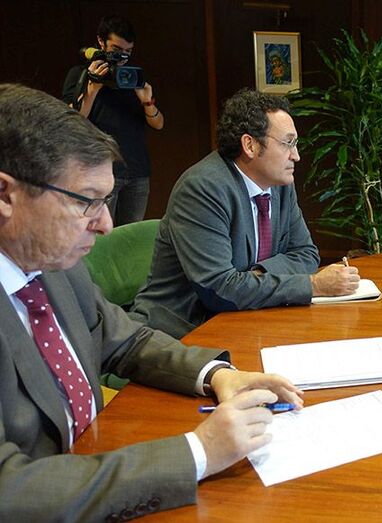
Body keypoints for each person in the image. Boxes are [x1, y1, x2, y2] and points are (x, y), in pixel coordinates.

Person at [0, 83, 304, 520]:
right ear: (6, 195)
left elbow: (127, 340)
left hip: (94, 461)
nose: (106, 224)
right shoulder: (51, 254)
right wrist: (198, 452)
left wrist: (219, 375)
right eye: (87, 202)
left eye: (106, 201)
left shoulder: (52, 264)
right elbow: (10, 489)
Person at [129, 89, 359, 338]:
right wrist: (312, 285)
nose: (296, 155)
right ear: (250, 145)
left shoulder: (280, 184)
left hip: (248, 319)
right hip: (182, 331)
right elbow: (220, 290)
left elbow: (306, 254)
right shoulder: (203, 188)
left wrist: (254, 277)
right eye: (288, 143)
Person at [61, 15, 163, 226]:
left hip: (137, 171)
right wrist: (93, 88)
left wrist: (147, 102)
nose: (123, 56)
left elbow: (159, 123)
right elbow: (71, 122)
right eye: (117, 50)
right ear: (101, 42)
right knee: (100, 233)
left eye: (128, 51)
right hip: (100, 171)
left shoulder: (132, 76)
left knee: (131, 236)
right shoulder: (80, 74)